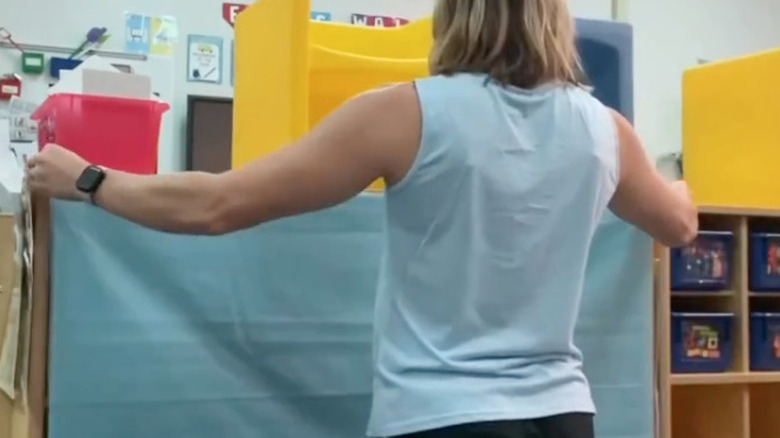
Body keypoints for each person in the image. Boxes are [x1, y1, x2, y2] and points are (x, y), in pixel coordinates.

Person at [25, 0, 697, 437]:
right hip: (562, 417)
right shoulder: (604, 131)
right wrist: (681, 181)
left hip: (441, 421)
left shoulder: (407, 113)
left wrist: (88, 180)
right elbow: (679, 225)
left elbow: (219, 205)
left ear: (450, 15)